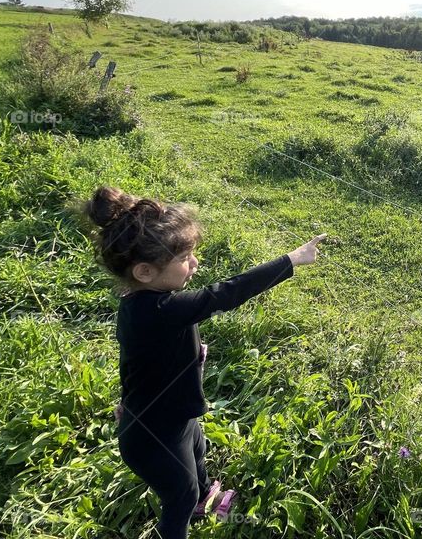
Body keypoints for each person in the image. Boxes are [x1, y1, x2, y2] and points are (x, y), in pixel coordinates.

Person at [82, 186, 324, 538]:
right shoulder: (164, 310)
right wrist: (291, 259)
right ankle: (181, 522)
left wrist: (133, 396)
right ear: (145, 271)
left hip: (169, 415)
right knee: (180, 493)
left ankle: (205, 495)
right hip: (154, 436)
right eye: (185, 258)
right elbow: (225, 294)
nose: (195, 264)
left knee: (198, 448)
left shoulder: (139, 303)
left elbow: (136, 361)